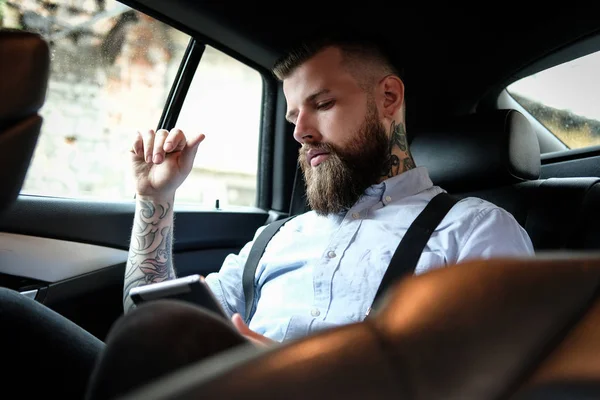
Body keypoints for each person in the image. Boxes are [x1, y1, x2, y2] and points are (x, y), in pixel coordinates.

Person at [0, 35, 534, 400]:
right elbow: (150, 319)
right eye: (293, 115)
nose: (300, 131)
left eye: (321, 104)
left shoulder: (474, 229)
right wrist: (156, 199)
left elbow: (500, 382)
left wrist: (305, 375)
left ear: (388, 97)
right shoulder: (277, 237)